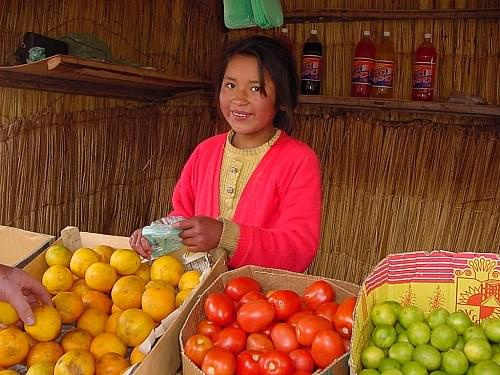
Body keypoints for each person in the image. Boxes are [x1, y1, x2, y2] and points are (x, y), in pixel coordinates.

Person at [130, 35, 321, 272]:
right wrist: (156, 236)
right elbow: (182, 217)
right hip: (195, 291)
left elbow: (298, 249)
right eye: (230, 85)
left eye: (255, 88)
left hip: (259, 302)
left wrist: (225, 236)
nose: (238, 99)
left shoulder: (299, 161)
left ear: (282, 99)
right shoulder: (205, 152)